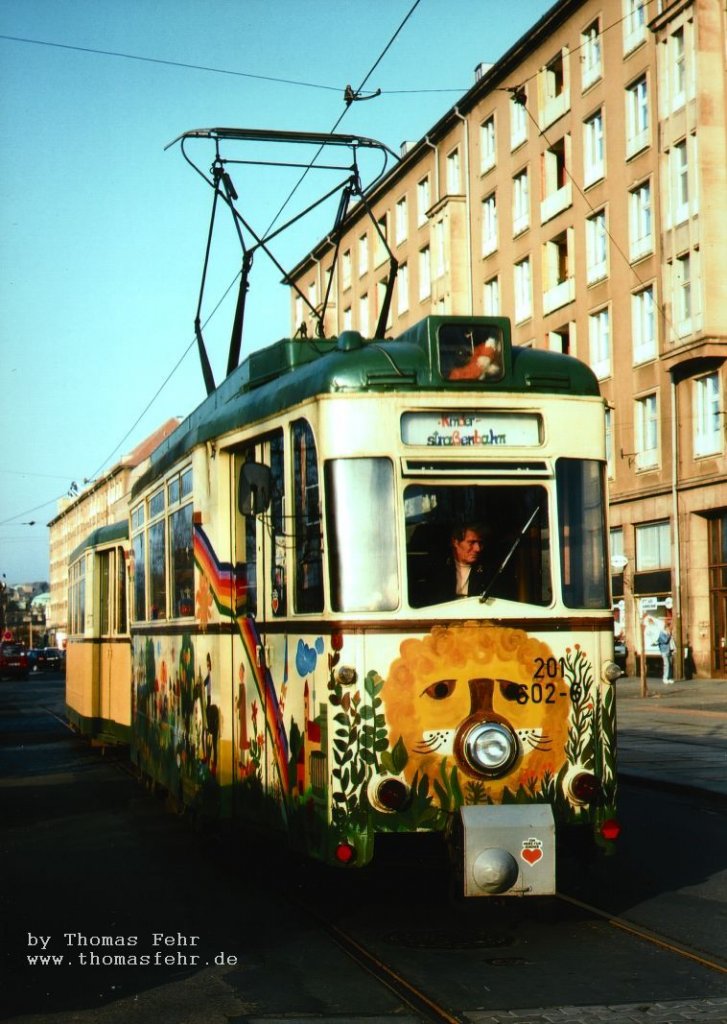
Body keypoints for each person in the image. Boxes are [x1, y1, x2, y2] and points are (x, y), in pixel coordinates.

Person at [427, 524, 489, 603]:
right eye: (471, 542)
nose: (478, 549)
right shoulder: (437, 566)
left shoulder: (488, 568)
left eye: (480, 543)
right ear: (455, 542)